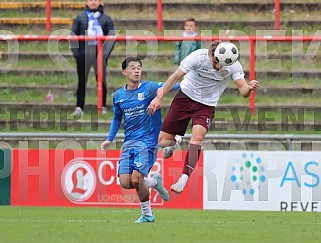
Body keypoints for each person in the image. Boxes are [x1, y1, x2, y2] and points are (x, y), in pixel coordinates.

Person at [147, 40, 260, 194]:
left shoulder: (233, 64)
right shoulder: (197, 57)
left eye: (221, 64)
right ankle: (175, 142)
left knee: (198, 138)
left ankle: (183, 180)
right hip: (185, 98)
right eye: (215, 62)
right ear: (210, 54)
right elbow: (174, 77)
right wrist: (159, 97)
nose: (218, 67)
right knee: (162, 142)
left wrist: (249, 89)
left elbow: (243, 91)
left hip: (206, 105)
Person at [101, 57, 180, 223]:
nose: (137, 70)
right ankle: (154, 181)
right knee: (125, 182)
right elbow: (116, 118)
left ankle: (147, 214)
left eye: (139, 67)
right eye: (132, 68)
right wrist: (109, 138)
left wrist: (190, 82)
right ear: (124, 72)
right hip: (129, 143)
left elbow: (174, 86)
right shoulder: (118, 96)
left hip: (148, 142)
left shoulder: (150, 88)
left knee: (137, 179)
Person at [70, 0, 115, 116]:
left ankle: (102, 105)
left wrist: (105, 54)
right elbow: (73, 36)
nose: (93, 2)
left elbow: (111, 37)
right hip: (83, 54)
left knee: (101, 81)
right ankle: (79, 106)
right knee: (81, 81)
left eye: (96, 0)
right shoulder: (80, 18)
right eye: (91, 0)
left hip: (99, 54)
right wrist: (77, 54)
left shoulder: (106, 19)